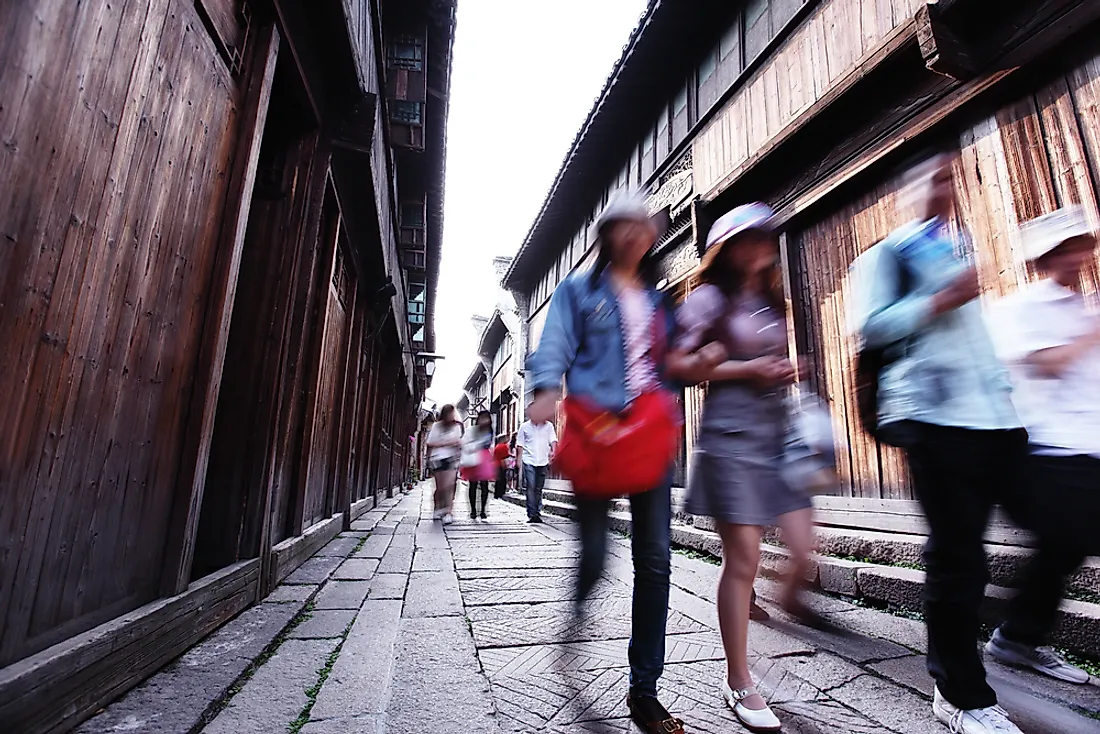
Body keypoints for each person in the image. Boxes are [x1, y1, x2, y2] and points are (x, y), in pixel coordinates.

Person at [851, 152, 1027, 734]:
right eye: (933, 178)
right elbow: (871, 327)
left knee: (1061, 521)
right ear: (908, 191)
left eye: (952, 177)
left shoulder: (959, 249)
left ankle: (1022, 635)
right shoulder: (889, 254)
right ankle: (959, 695)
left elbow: (977, 338)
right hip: (932, 418)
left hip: (993, 420)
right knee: (958, 557)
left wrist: (1006, 397)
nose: (945, 188)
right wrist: (936, 302)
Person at [526, 192, 684, 734]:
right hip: (597, 434)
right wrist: (545, 387)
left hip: (649, 438)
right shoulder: (578, 292)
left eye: (643, 226)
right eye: (623, 226)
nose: (635, 234)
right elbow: (553, 344)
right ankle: (575, 619)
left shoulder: (660, 301)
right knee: (594, 554)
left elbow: (673, 362)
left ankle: (645, 689)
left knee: (656, 559)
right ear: (608, 234)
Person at [666, 202, 820, 732]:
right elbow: (679, 364)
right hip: (731, 439)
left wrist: (784, 369)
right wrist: (744, 368)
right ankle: (739, 679)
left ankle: (776, 601)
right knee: (745, 557)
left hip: (778, 438)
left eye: (764, 237)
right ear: (727, 249)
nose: (759, 246)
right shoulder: (709, 299)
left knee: (803, 547)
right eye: (748, 239)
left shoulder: (772, 301)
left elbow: (769, 361)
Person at [984, 205, 1098, 685]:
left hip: (1089, 444)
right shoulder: (1020, 308)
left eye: (1080, 247)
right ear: (1043, 259)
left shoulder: (1084, 308)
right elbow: (1044, 365)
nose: (1075, 257)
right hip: (1049, 448)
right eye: (1064, 250)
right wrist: (1089, 335)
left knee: (1067, 547)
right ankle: (1017, 637)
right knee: (1064, 543)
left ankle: (1018, 635)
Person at [516, 411, 557, 523]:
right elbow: (520, 444)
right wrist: (518, 460)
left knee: (538, 488)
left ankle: (536, 511)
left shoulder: (548, 426)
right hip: (529, 460)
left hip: (543, 460)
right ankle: (532, 513)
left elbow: (553, 439)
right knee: (531, 485)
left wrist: (554, 451)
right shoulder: (524, 427)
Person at [426, 404, 463, 525]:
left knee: (449, 486)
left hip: (451, 459)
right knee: (440, 488)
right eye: (450, 413)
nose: (451, 416)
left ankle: (448, 512)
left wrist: (443, 443)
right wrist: (447, 443)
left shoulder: (456, 427)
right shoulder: (437, 426)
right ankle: (437, 507)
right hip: (438, 458)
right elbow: (430, 443)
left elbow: (457, 442)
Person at [463, 410, 495, 520]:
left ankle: (483, 510)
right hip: (473, 457)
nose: (484, 421)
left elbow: (489, 444)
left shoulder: (489, 431)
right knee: (472, 485)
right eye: (482, 418)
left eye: (486, 418)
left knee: (484, 485)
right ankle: (473, 510)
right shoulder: (473, 430)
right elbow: (466, 443)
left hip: (484, 458)